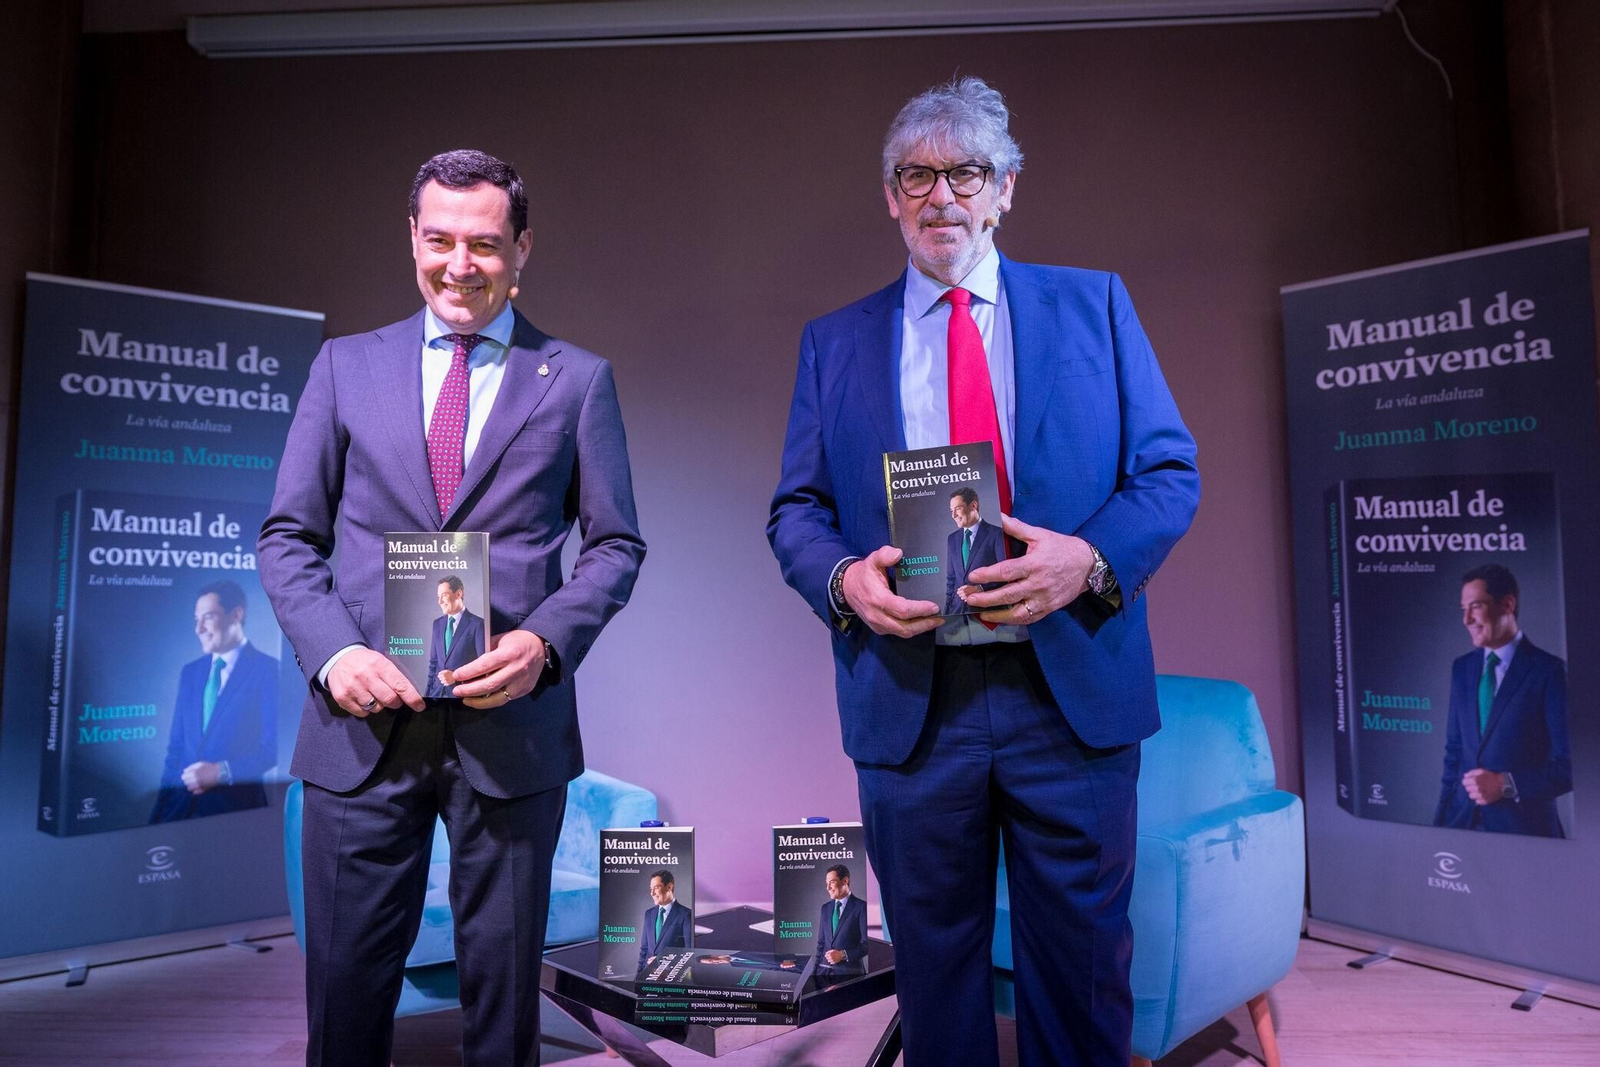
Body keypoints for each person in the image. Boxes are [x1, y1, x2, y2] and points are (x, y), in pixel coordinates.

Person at [767, 76, 1198, 1066]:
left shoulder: (1093, 306)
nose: (940, 196)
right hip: (914, 702)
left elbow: (1169, 472)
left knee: (1084, 973)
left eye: (964, 172)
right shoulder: (833, 343)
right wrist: (843, 582)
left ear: (1005, 187)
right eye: (915, 175)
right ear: (889, 196)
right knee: (935, 976)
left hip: (1071, 691)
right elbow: (796, 509)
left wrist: (1085, 558)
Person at [259, 148, 646, 1066]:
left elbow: (616, 545)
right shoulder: (344, 368)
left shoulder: (577, 380)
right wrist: (331, 654)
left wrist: (546, 645)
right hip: (360, 729)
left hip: (511, 735)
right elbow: (286, 538)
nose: (459, 264)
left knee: (505, 1014)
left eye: (483, 243)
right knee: (344, 1004)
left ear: (523, 248)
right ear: (413, 238)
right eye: (439, 240)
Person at [1433, 564, 1571, 837]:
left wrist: (1506, 784)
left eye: (1476, 606)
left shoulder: (1549, 671)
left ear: (1507, 604)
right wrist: (1438, 828)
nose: (1467, 619)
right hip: (1461, 825)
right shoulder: (1461, 669)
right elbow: (1455, 754)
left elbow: (1572, 766)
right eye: (1464, 609)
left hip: (1526, 834)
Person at [150, 580, 279, 822]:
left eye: (208, 617)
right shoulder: (190, 673)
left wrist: (222, 772)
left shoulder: (269, 670)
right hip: (180, 812)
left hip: (237, 815)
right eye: (196, 619)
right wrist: (157, 816)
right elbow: (175, 750)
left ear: (236, 615)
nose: (198, 628)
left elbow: (274, 748)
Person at [944, 485, 1004, 615]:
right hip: (957, 613)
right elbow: (951, 578)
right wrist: (947, 612)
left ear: (973, 505)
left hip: (989, 612)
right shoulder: (952, 539)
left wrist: (979, 588)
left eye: (958, 508)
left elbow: (1005, 574)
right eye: (951, 510)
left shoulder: (996, 534)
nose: (953, 515)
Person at [425, 574, 485, 698]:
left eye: (444, 595)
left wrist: (456, 677)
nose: (439, 601)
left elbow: (483, 666)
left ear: (458, 594)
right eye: (438, 596)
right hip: (436, 695)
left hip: (464, 697)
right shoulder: (437, 624)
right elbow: (434, 662)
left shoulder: (478, 624)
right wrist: (426, 695)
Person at [638, 869, 692, 969]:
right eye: (651, 889)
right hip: (648, 976)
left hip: (670, 976)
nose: (652, 893)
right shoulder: (648, 914)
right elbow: (644, 950)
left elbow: (689, 952)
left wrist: (662, 960)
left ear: (669, 887)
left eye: (656, 888)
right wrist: (637, 979)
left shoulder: (686, 914)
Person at [816, 864, 867, 969]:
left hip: (850, 974)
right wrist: (815, 972)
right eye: (826, 883)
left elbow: (867, 945)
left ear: (845, 881)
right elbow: (821, 944)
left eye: (832, 882)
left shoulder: (861, 907)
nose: (828, 888)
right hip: (825, 974)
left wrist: (842, 955)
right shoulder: (825, 908)